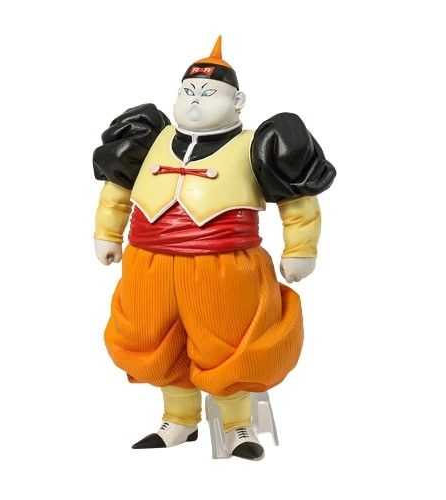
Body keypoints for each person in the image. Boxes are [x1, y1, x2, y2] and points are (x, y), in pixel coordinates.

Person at [93, 36, 336, 461]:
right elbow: (117, 190)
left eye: (208, 93)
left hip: (225, 265)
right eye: (187, 91)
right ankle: (179, 420)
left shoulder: (258, 144)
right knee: (155, 342)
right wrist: (107, 233)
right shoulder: (148, 137)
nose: (194, 100)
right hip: (149, 263)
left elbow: (298, 202)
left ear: (237, 101)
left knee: (230, 345)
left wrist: (301, 248)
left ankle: (237, 425)